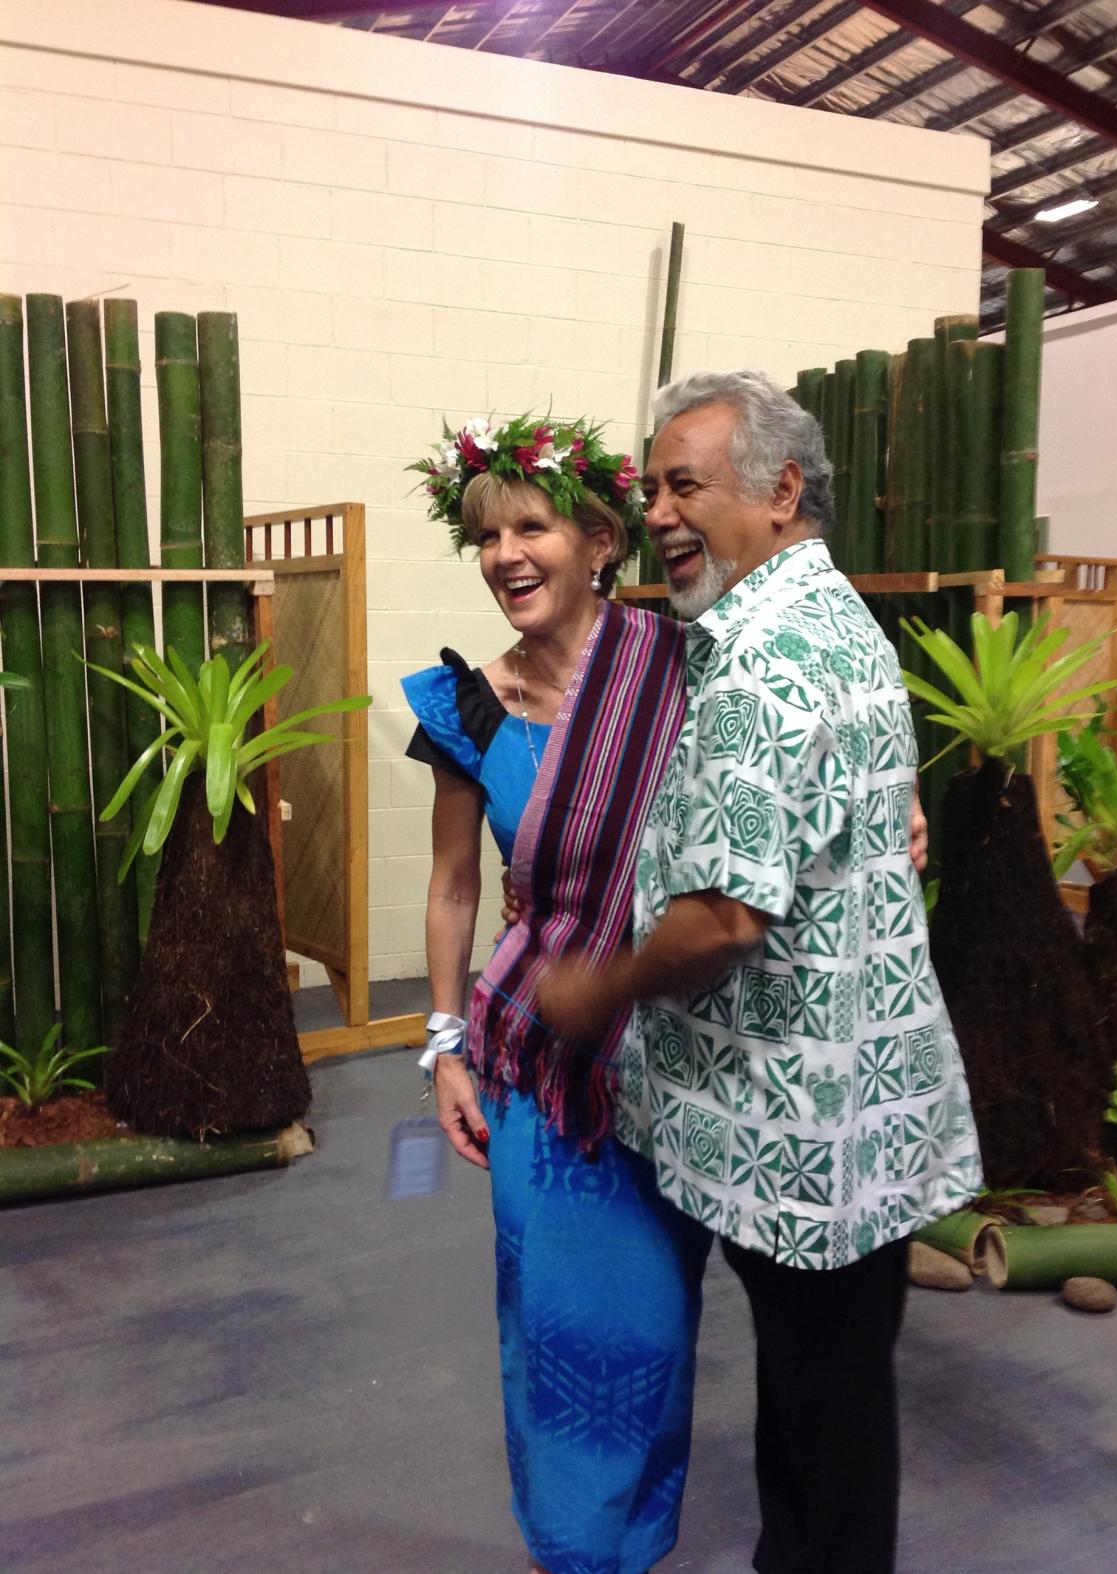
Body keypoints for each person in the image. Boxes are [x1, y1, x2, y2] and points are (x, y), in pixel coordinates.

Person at [539, 370, 983, 1574]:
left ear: (782, 490)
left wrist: (599, 990)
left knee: (827, 1434)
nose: (663, 513)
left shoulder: (758, 662)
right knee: (823, 1416)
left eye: (687, 484)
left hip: (799, 1130)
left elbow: (725, 918)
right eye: (651, 490)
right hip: (857, 1111)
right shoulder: (833, 620)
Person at [401, 414, 712, 1574]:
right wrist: (443, 1047)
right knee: (558, 1317)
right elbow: (449, 888)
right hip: (540, 1059)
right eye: (485, 535)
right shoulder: (468, 706)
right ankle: (572, 1549)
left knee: (653, 1320)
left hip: (674, 1058)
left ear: (596, 538)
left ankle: (635, 1537)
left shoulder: (684, 661)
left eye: (528, 525)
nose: (503, 554)